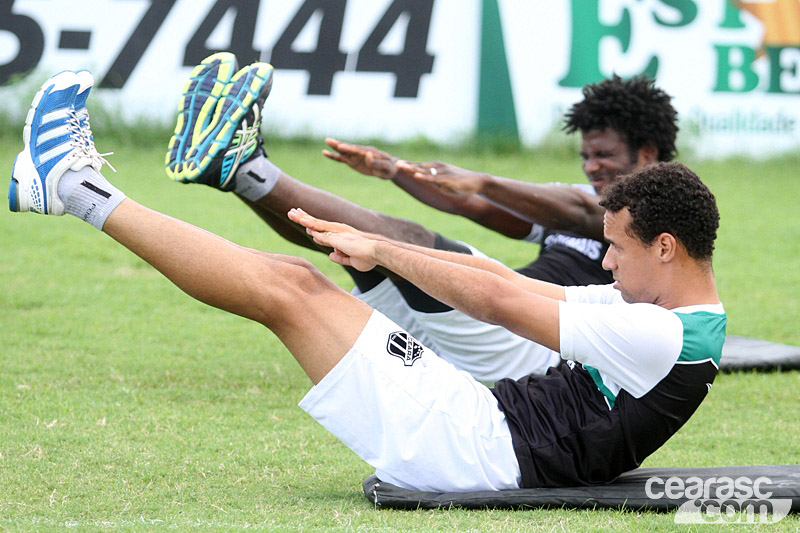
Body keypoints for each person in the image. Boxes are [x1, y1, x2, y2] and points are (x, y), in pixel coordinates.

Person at [8, 68, 726, 492]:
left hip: (472, 449)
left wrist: (383, 250)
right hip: (479, 428)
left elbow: (504, 299)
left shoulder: (660, 334)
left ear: (665, 247)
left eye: (617, 249)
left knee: (288, 291)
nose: (606, 261)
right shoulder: (670, 315)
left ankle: (69, 184)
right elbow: (528, 288)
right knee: (293, 278)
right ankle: (74, 184)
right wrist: (381, 243)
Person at [164, 54, 678, 383]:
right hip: (485, 328)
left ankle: (248, 164)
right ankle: (237, 175)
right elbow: (472, 205)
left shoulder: (662, 210)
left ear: (648, 152)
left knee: (408, 240)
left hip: (531, 349)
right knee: (358, 254)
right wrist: (396, 170)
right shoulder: (581, 198)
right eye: (586, 156)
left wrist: (484, 179)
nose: (592, 168)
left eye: (604, 155)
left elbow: (580, 211)